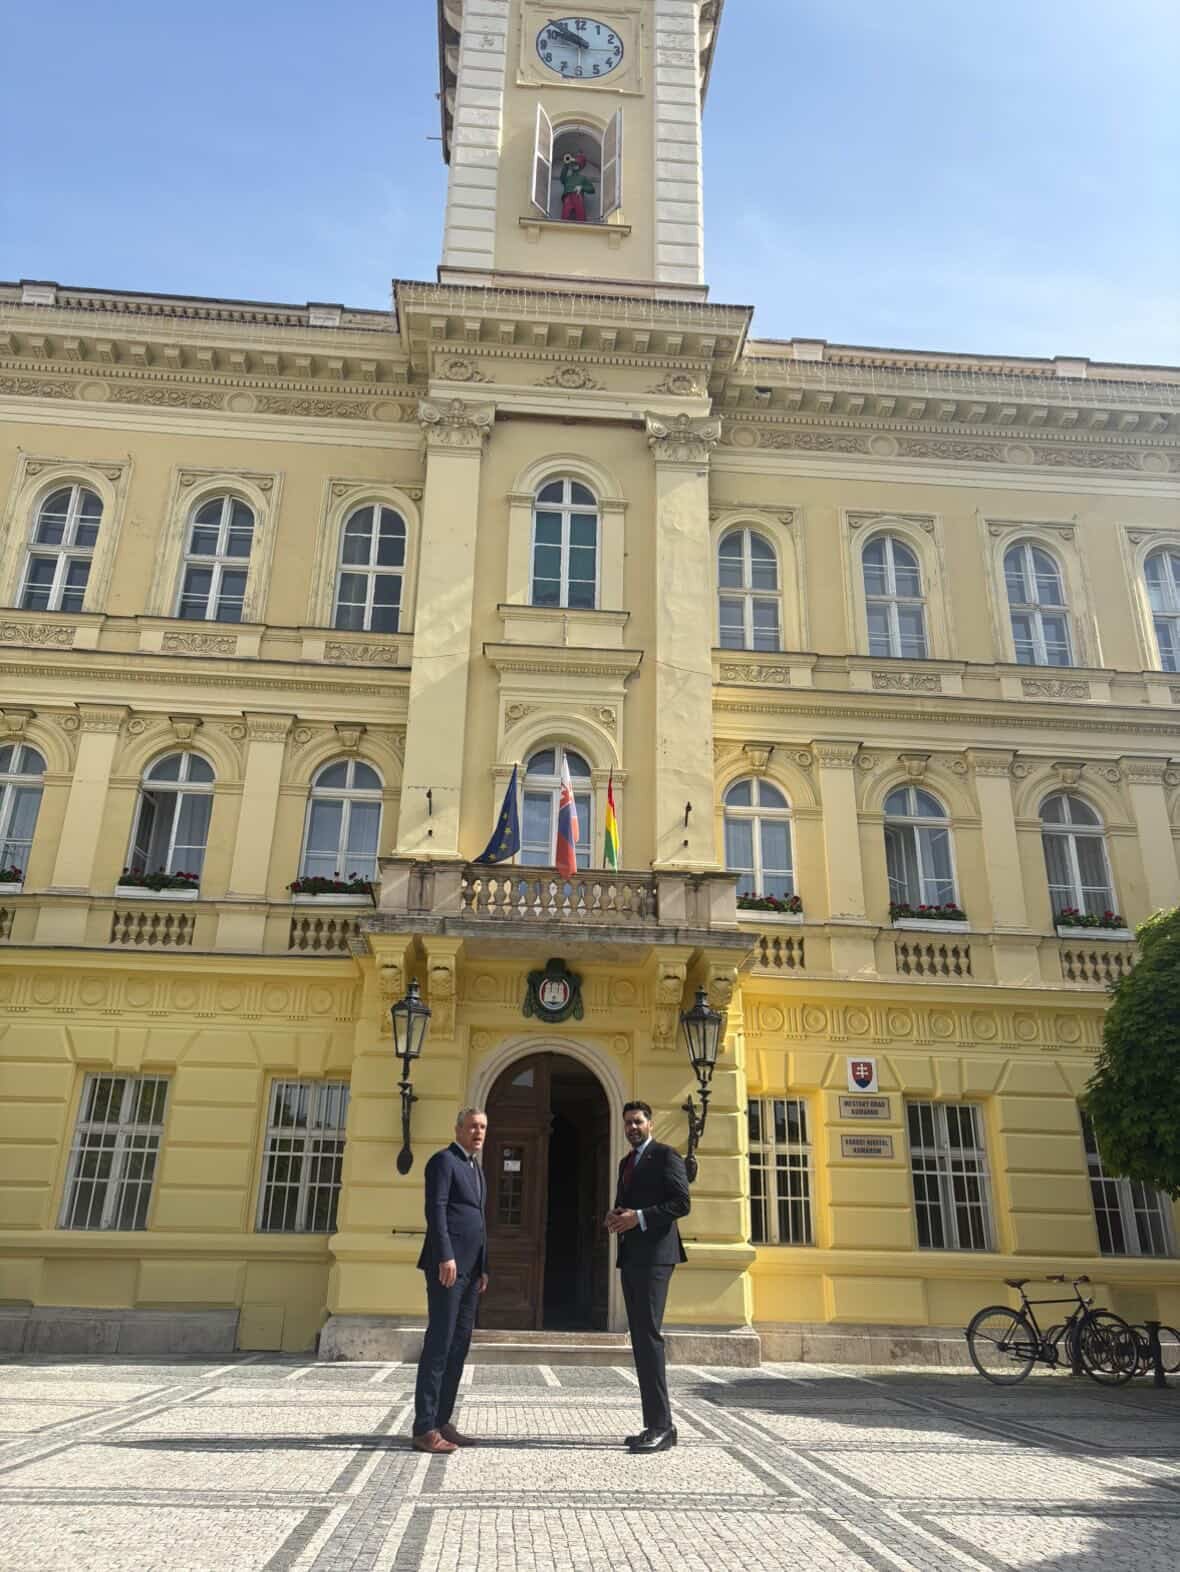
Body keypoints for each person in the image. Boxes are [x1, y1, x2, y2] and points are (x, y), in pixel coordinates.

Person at [606, 1099, 690, 1453]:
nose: (632, 1127)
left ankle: (662, 1426)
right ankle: (654, 1423)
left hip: (656, 1258)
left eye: (638, 1121)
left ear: (650, 1124)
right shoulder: (626, 1162)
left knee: (650, 1337)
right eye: (628, 1122)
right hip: (632, 1257)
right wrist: (616, 1217)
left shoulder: (666, 1156)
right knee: (640, 1340)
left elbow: (681, 1203)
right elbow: (627, 1203)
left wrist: (638, 1218)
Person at [411, 1107, 488, 1455]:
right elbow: (436, 1209)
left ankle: (442, 1420)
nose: (478, 1132)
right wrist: (445, 1255)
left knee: (459, 1344)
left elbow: (479, 1220)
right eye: (472, 1126)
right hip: (448, 1267)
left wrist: (484, 1267)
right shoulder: (443, 1161)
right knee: (440, 1343)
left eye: (482, 1127)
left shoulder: (475, 1168)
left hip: (471, 1271)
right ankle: (424, 1427)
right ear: (457, 1129)